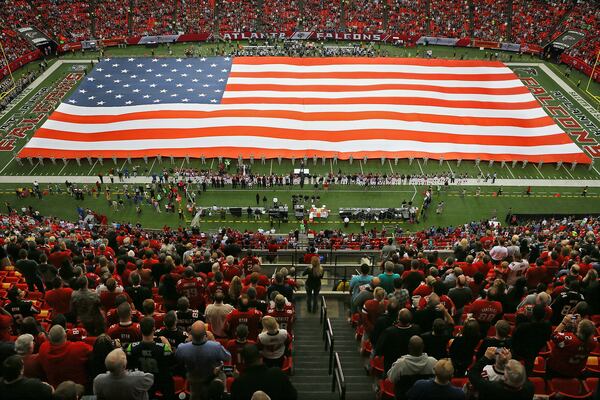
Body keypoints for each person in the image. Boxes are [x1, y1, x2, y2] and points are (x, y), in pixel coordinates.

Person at [175, 321, 231, 400]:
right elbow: (227, 357)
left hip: (194, 383)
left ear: (191, 334)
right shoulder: (215, 346)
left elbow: (177, 358)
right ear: (205, 334)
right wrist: (213, 340)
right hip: (212, 381)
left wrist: (187, 341)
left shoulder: (182, 348)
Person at [127, 317, 175, 399]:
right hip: (160, 382)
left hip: (140, 383)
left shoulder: (131, 347)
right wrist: (167, 344)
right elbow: (171, 361)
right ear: (154, 329)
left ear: (140, 330)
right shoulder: (163, 348)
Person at [230, 344, 297, 400]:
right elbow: (293, 396)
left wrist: (237, 380)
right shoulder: (277, 374)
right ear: (261, 357)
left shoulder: (238, 384)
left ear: (243, 361)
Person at [468, 347, 534, 400]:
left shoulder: (492, 389)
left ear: (505, 377)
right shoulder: (529, 388)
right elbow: (520, 375)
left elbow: (473, 374)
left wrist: (486, 357)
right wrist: (507, 360)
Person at [374, 308, 421, 373]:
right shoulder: (416, 330)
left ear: (398, 318)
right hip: (411, 364)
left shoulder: (389, 331)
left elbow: (379, 347)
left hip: (392, 364)